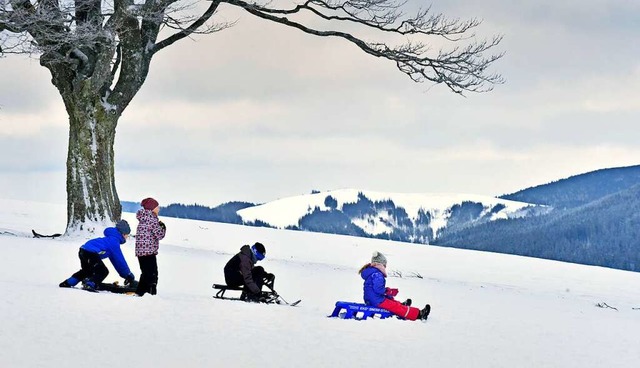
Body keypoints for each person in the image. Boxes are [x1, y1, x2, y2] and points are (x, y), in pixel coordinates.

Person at [59, 220, 137, 292]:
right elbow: (119, 261)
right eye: (127, 234)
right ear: (123, 234)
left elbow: (115, 260)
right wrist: (128, 275)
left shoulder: (110, 239)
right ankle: (90, 284)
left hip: (83, 250)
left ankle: (68, 282)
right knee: (103, 271)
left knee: (87, 271)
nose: (127, 237)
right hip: (90, 253)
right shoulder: (114, 242)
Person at [359, 251, 430, 321]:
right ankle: (419, 314)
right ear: (380, 264)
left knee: (389, 299)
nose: (385, 266)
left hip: (371, 299)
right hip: (376, 300)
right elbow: (378, 289)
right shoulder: (378, 274)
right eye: (384, 265)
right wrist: (389, 291)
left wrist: (388, 292)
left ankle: (402, 305)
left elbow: (375, 289)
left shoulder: (372, 272)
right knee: (395, 307)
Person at [135, 197, 166, 296]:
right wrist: (163, 227)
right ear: (152, 208)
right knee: (152, 274)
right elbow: (159, 235)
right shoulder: (152, 220)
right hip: (149, 251)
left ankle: (140, 292)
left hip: (140, 252)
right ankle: (150, 293)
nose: (159, 209)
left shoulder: (143, 219)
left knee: (145, 273)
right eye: (157, 207)